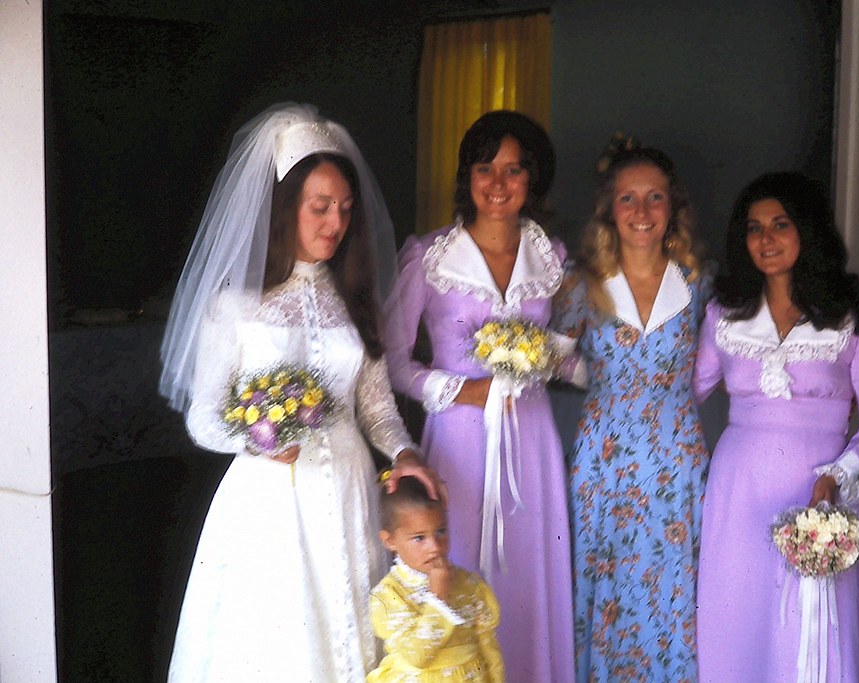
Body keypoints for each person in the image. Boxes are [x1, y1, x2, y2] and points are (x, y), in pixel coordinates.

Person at [158, 102, 440, 682]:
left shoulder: (353, 301)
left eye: (344, 209)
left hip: (350, 494)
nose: (335, 223)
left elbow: (377, 408)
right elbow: (204, 418)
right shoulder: (233, 306)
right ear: (286, 208)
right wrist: (258, 439)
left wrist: (406, 453)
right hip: (271, 505)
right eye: (320, 207)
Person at [383, 110, 573, 683]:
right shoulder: (429, 256)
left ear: (532, 181)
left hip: (531, 439)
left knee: (528, 576)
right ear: (466, 176)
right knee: (456, 564)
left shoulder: (554, 257)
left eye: (514, 170)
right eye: (485, 168)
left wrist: (543, 361)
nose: (498, 183)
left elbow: (570, 349)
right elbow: (392, 362)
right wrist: (460, 389)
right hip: (459, 440)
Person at [694, 171, 859, 682]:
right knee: (739, 619)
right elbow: (682, 394)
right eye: (753, 228)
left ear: (806, 231)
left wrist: (839, 473)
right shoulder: (724, 315)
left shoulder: (855, 318)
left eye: (780, 224)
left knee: (812, 630)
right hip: (739, 492)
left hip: (819, 492)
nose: (765, 239)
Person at [550, 136, 709, 682]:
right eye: (627, 198)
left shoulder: (698, 283)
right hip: (605, 460)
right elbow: (556, 362)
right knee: (605, 585)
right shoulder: (582, 282)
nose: (642, 212)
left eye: (655, 198)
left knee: (673, 589)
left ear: (673, 208)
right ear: (609, 210)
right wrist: (601, 377)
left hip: (675, 459)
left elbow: (716, 367)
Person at [368, 474, 504, 682]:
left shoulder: (470, 584)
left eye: (441, 531)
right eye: (419, 538)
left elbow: (489, 649)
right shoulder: (388, 595)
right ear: (390, 540)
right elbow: (417, 655)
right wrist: (437, 598)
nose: (434, 546)